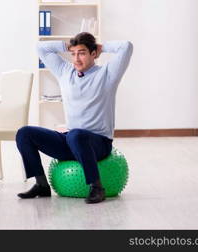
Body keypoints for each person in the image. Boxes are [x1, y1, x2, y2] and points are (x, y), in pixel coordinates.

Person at [16, 32, 133, 203]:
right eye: (73, 53)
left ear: (94, 54)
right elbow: (40, 47)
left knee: (76, 135)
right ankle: (41, 184)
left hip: (98, 143)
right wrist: (67, 46)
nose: (76, 59)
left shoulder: (108, 74)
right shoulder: (65, 71)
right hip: (71, 140)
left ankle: (97, 187)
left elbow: (126, 46)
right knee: (24, 133)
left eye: (82, 53)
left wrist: (102, 47)